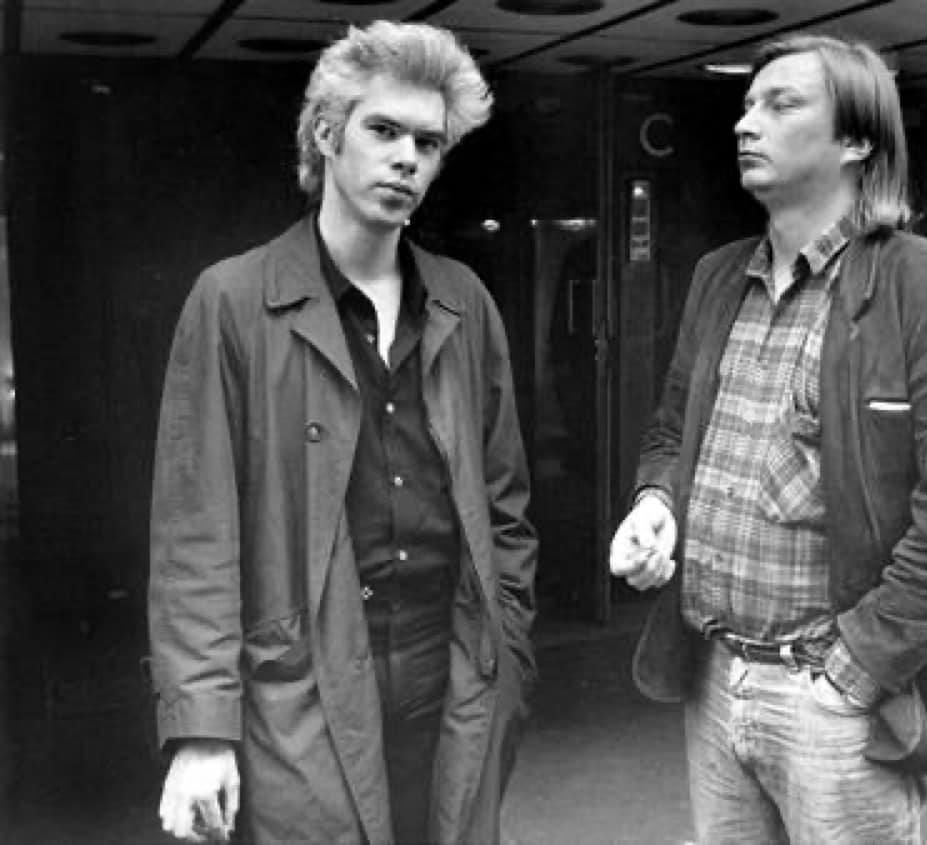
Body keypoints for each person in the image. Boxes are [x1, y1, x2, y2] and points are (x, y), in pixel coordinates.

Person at [610, 33, 927, 844]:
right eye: (746, 104)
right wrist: (657, 501)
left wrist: (854, 669)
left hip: (832, 701)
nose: (745, 122)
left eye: (781, 104)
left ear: (858, 139)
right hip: (714, 680)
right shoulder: (718, 277)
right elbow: (672, 429)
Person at [148, 21, 537, 845]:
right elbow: (195, 536)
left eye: (428, 143)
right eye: (383, 130)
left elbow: (506, 505)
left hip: (450, 681)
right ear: (327, 134)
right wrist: (202, 728)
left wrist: (512, 654)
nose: (406, 160)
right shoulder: (233, 301)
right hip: (303, 688)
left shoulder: (463, 301)